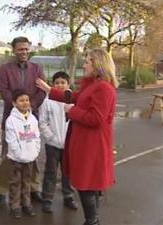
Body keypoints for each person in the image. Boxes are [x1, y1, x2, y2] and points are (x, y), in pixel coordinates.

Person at [36, 48, 118, 225]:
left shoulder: (103, 88)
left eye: (88, 61)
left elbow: (96, 118)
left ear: (97, 64)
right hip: (87, 142)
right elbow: (75, 96)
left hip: (92, 143)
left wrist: (72, 111)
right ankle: (93, 219)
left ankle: (92, 220)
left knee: (86, 184)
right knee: (89, 183)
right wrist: (51, 90)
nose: (85, 64)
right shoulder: (94, 85)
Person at [0, 36, 46, 204]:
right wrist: (19, 106)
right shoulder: (4, 69)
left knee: (33, 156)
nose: (24, 52)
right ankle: (2, 191)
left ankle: (33, 188)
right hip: (11, 117)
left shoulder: (37, 69)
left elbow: (42, 91)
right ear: (14, 50)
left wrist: (30, 106)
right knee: (8, 156)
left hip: (32, 117)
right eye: (20, 49)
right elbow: (5, 91)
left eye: (26, 49)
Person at [38, 71, 78, 213]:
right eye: (57, 83)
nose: (60, 85)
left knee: (68, 172)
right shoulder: (47, 102)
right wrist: (50, 138)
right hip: (53, 145)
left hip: (69, 145)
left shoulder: (74, 100)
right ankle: (47, 199)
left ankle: (68, 196)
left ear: (68, 84)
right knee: (51, 172)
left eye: (63, 83)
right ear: (52, 84)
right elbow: (42, 122)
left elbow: (77, 121)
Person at [5, 89, 41, 219]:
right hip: (16, 159)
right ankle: (15, 206)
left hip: (30, 158)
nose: (25, 103)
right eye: (21, 100)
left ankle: (26, 203)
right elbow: (11, 140)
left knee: (27, 182)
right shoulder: (11, 120)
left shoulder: (33, 119)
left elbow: (37, 136)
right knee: (15, 183)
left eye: (27, 100)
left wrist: (35, 151)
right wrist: (20, 155)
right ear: (15, 103)